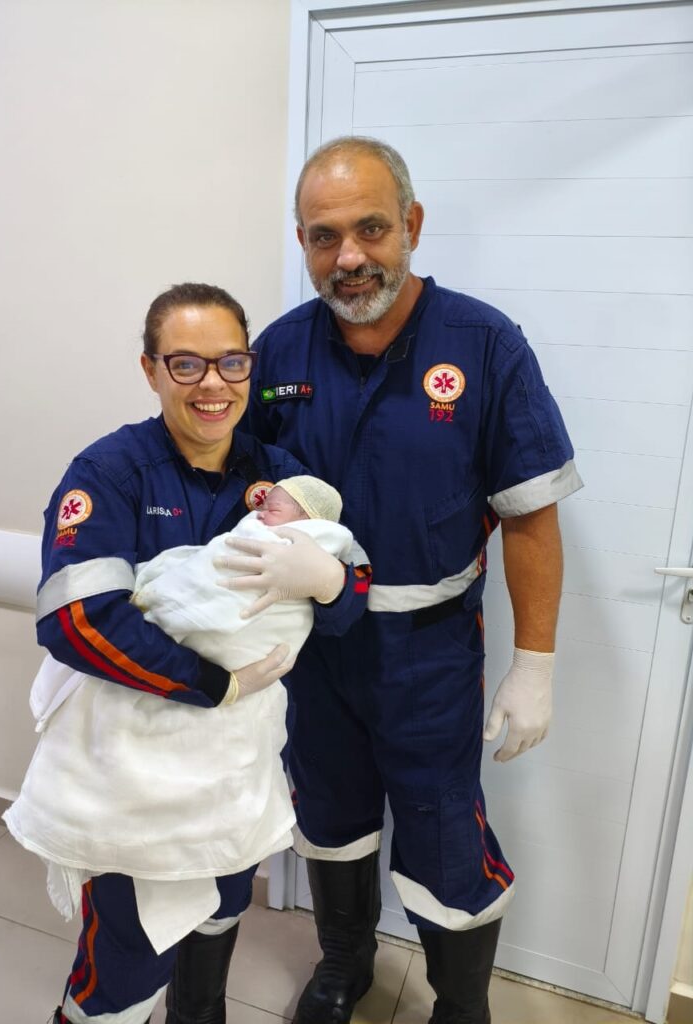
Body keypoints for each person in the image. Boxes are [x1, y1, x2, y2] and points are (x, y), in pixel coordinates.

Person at [225, 137, 583, 1024]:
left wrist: (535, 664)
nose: (348, 257)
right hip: (317, 650)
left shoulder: (485, 344)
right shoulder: (276, 354)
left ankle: (460, 1004)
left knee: (445, 839)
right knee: (333, 823)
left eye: (371, 229)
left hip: (428, 657)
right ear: (302, 242)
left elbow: (531, 514)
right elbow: (235, 487)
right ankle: (343, 965)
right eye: (323, 236)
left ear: (412, 226)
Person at [3, 282, 370, 1024]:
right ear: (150, 370)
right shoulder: (112, 473)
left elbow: (347, 590)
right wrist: (214, 682)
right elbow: (75, 620)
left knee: (219, 912)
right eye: (186, 364)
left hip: (235, 770)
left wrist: (329, 580)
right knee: (127, 967)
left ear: (250, 369)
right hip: (137, 771)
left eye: (231, 363)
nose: (213, 384)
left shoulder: (277, 475)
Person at [132, 476, 354, 671]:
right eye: (261, 507)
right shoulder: (123, 468)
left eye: (272, 510)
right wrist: (217, 686)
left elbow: (357, 586)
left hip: (257, 672)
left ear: (309, 520)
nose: (258, 515)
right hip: (151, 666)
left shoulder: (283, 470)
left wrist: (333, 583)